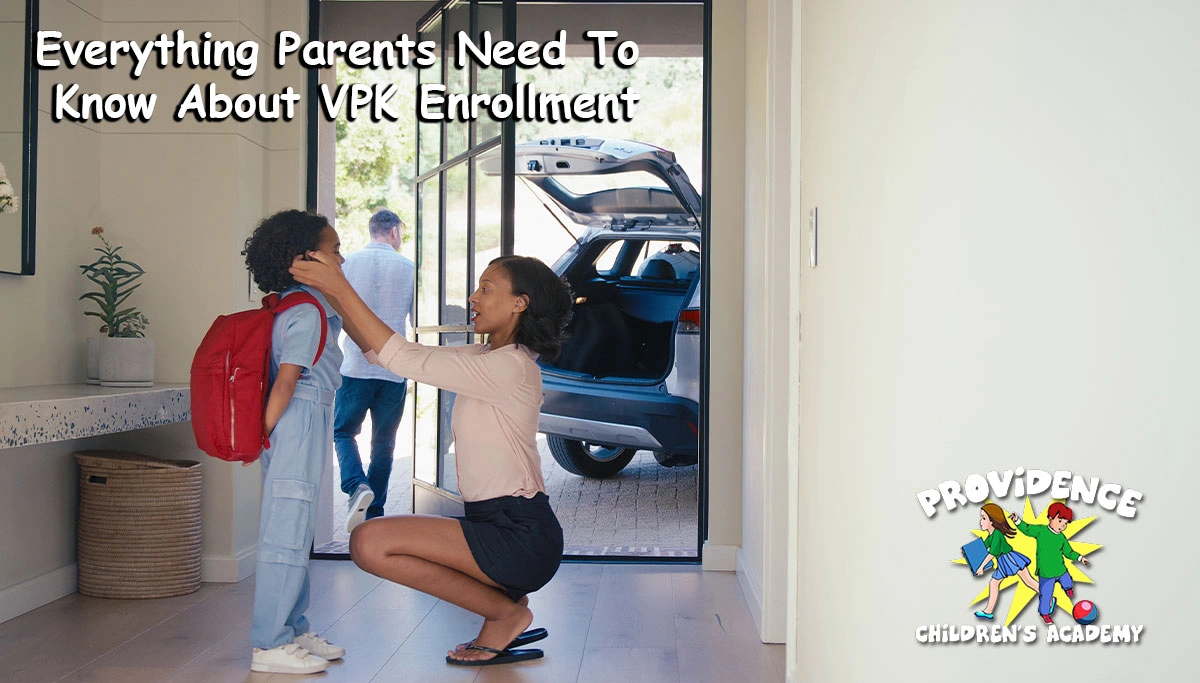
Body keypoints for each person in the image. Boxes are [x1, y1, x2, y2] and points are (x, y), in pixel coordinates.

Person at [290, 251, 571, 666]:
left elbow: (401, 356)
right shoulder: (486, 358)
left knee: (369, 542)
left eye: (486, 288)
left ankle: (506, 612)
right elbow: (381, 352)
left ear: (520, 303)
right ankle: (505, 606)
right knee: (369, 542)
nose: (474, 297)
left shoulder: (510, 367)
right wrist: (331, 294)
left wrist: (338, 284)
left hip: (519, 535)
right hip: (497, 525)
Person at [241, 209, 347, 675]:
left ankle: (293, 628)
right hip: (298, 416)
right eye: (335, 250)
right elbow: (286, 382)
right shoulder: (305, 309)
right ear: (305, 258)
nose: (341, 259)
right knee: (286, 531)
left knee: (296, 529)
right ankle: (269, 644)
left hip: (303, 415)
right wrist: (264, 434)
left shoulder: (297, 303)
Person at [334, 208, 416, 533]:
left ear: (373, 231)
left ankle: (357, 486)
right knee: (384, 444)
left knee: (343, 433)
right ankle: (375, 515)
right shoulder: (409, 267)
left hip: (354, 365)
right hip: (393, 370)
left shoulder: (349, 264)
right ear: (394, 232)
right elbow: (416, 320)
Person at [1010, 502, 1091, 625]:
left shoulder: (1061, 538)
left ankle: (1068, 589)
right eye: (1060, 521)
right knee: (1046, 595)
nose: (1062, 526)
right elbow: (1027, 529)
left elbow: (1069, 552)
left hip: (1061, 569)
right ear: (1050, 518)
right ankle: (1045, 614)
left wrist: (1080, 558)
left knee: (1067, 581)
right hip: (1046, 574)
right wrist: (1017, 521)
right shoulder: (1041, 531)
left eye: (1065, 524)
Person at [972, 503, 1038, 620]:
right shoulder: (991, 535)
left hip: (1010, 559)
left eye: (984, 518)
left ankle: (1049, 599)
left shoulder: (997, 534)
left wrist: (981, 567)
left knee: (1029, 581)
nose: (980, 521)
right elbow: (982, 548)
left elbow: (992, 553)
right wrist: (968, 554)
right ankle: (988, 611)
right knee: (995, 583)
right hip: (1004, 561)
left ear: (992, 521)